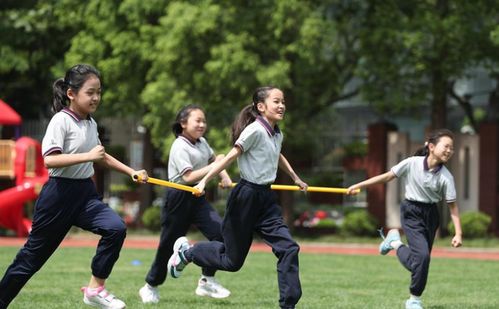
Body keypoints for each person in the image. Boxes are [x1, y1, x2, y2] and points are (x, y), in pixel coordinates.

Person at [0, 64, 148, 309]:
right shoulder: (61, 121)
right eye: (90, 92)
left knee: (115, 228)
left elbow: (100, 155)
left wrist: (131, 172)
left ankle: (94, 289)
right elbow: (50, 160)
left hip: (85, 195)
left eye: (99, 92)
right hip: (58, 196)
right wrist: (88, 157)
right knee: (30, 260)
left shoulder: (90, 123)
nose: (96, 98)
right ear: (71, 93)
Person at [166, 86, 308, 309]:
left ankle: (287, 306)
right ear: (261, 107)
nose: (282, 106)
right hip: (245, 198)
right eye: (276, 101)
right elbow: (230, 157)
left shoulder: (276, 132)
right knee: (231, 262)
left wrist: (295, 178)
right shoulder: (254, 130)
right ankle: (188, 253)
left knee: (289, 248)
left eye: (283, 102)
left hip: (266, 199)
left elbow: (277, 154)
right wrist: (204, 181)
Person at [346, 128, 463, 309]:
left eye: (452, 148)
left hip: (431, 215)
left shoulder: (447, 177)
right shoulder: (412, 163)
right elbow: (387, 177)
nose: (449, 151)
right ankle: (414, 300)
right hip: (411, 212)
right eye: (446, 146)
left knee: (420, 262)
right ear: (431, 147)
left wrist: (458, 233)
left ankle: (395, 243)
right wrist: (359, 184)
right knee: (422, 258)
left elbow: (453, 206)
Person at [139, 104, 232, 303]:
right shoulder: (179, 146)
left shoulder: (202, 142)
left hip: (198, 198)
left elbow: (216, 160)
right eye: (197, 120)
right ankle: (150, 286)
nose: (202, 125)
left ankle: (207, 280)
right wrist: (214, 168)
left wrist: (223, 176)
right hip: (178, 197)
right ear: (183, 123)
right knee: (167, 246)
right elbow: (188, 176)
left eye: (203, 121)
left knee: (220, 234)